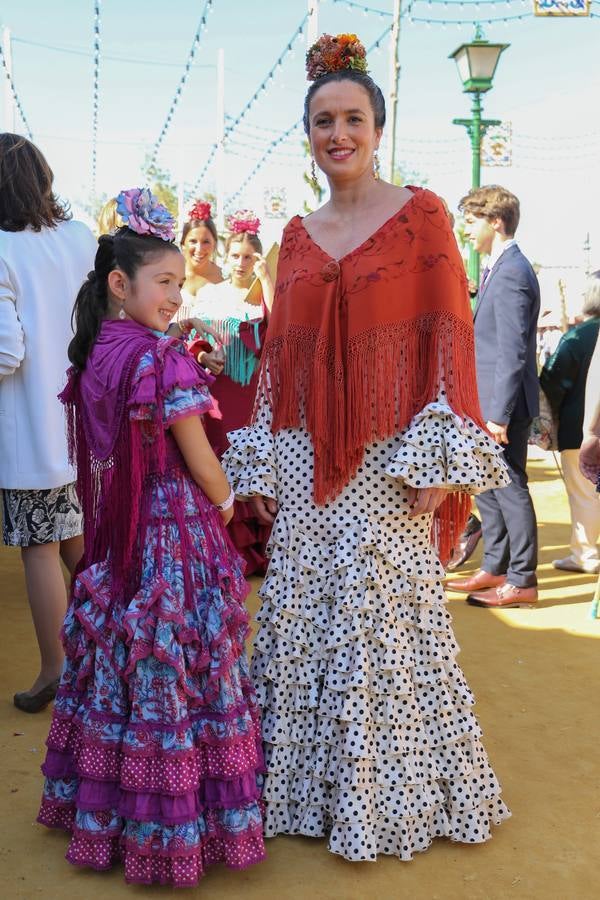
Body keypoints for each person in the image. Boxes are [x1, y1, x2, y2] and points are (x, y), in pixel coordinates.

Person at [223, 34, 510, 862]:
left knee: (386, 623)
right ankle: (300, 793)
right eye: (322, 121)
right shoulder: (297, 237)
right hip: (309, 465)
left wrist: (438, 460)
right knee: (304, 614)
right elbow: (281, 356)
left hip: (391, 465)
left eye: (352, 118)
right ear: (307, 134)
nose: (337, 133)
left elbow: (448, 337)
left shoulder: (420, 214)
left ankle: (387, 800)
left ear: (378, 128)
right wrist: (269, 466)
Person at [36, 189, 265, 887]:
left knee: (120, 663)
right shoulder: (160, 359)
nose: (175, 294)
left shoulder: (96, 353)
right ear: (119, 283)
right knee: (179, 662)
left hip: (117, 535)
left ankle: (106, 815)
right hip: (172, 533)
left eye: (177, 282)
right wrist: (226, 504)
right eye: (164, 282)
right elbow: (198, 454)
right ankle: (171, 828)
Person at [0, 134, 96, 712]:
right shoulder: (80, 237)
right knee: (78, 542)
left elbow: (5, 352)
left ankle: (55, 671)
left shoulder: (0, 249)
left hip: (32, 425)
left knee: (39, 547)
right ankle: (111, 648)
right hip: (84, 422)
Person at [447, 185, 541, 608]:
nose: (465, 229)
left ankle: (522, 578)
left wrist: (499, 415)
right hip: (486, 401)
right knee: (487, 485)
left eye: (471, 220)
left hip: (499, 406)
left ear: (495, 222)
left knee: (508, 487)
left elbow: (513, 349)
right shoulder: (500, 269)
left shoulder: (513, 272)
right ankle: (498, 566)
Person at [186, 211, 275, 575]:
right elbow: (192, 337)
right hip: (217, 395)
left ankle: (260, 551)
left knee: (251, 462)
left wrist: (267, 279)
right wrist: (204, 354)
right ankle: (224, 550)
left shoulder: (265, 296)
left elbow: (280, 330)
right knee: (218, 461)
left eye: (249, 256)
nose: (241, 263)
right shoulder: (209, 294)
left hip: (252, 397)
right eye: (235, 255)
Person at [540, 272, 600, 574]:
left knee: (583, 494)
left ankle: (585, 554)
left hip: (581, 428)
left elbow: (551, 380)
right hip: (586, 426)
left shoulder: (578, 336)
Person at [175, 200, 224, 322]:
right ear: (183, 244)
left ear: (214, 244)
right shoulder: (170, 276)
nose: (199, 249)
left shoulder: (226, 278)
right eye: (193, 241)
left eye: (206, 242)